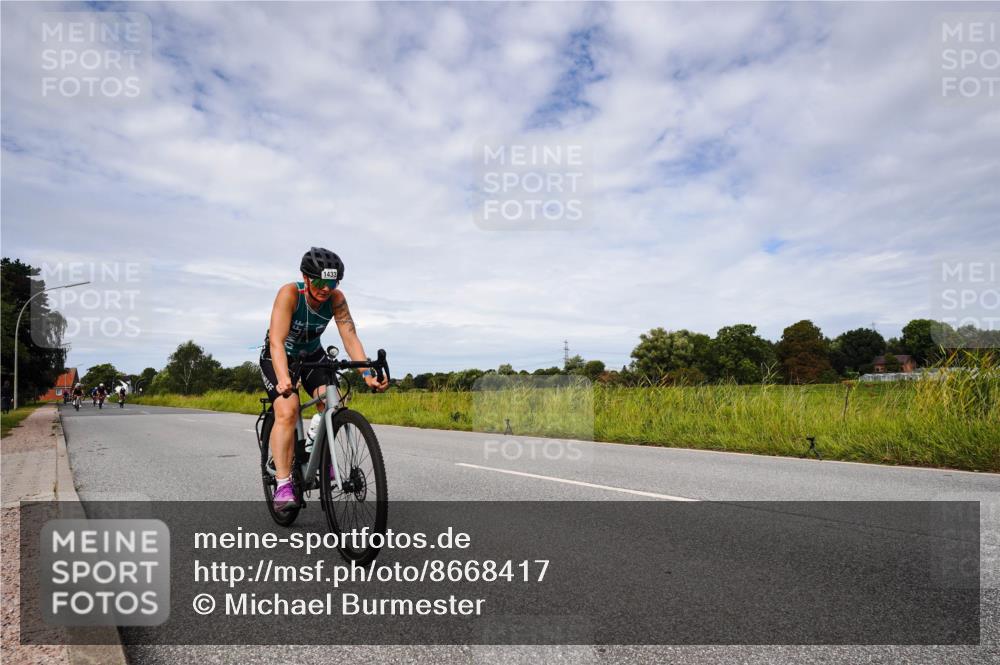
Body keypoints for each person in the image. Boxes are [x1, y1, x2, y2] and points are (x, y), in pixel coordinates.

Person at [260, 247, 388, 511]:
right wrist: (284, 378)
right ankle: (283, 484)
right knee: (288, 408)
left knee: (335, 400)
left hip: (312, 355)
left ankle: (319, 453)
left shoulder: (337, 299)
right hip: (279, 357)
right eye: (320, 282)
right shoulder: (290, 294)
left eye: (332, 282)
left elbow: (349, 336)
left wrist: (367, 374)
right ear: (306, 279)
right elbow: (276, 341)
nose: (326, 288)